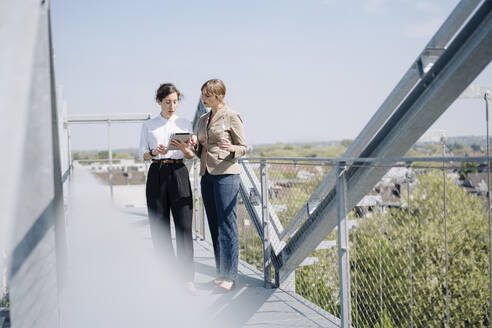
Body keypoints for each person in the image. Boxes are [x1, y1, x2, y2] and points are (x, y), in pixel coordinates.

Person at [139, 83, 196, 292]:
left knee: (184, 228)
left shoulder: (185, 122)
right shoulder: (149, 125)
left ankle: (187, 278)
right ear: (159, 101)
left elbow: (191, 155)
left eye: (175, 101)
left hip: (179, 172)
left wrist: (185, 149)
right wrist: (154, 152)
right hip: (156, 173)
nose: (172, 106)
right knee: (159, 229)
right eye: (167, 102)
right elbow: (142, 154)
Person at [191, 79, 247, 292]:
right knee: (214, 224)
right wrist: (194, 146)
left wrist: (232, 147)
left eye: (207, 95)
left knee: (227, 224)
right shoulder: (204, 118)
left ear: (218, 96)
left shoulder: (232, 116)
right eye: (203, 94)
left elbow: (243, 147)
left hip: (226, 174)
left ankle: (230, 276)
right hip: (206, 173)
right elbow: (202, 150)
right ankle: (220, 273)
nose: (203, 99)